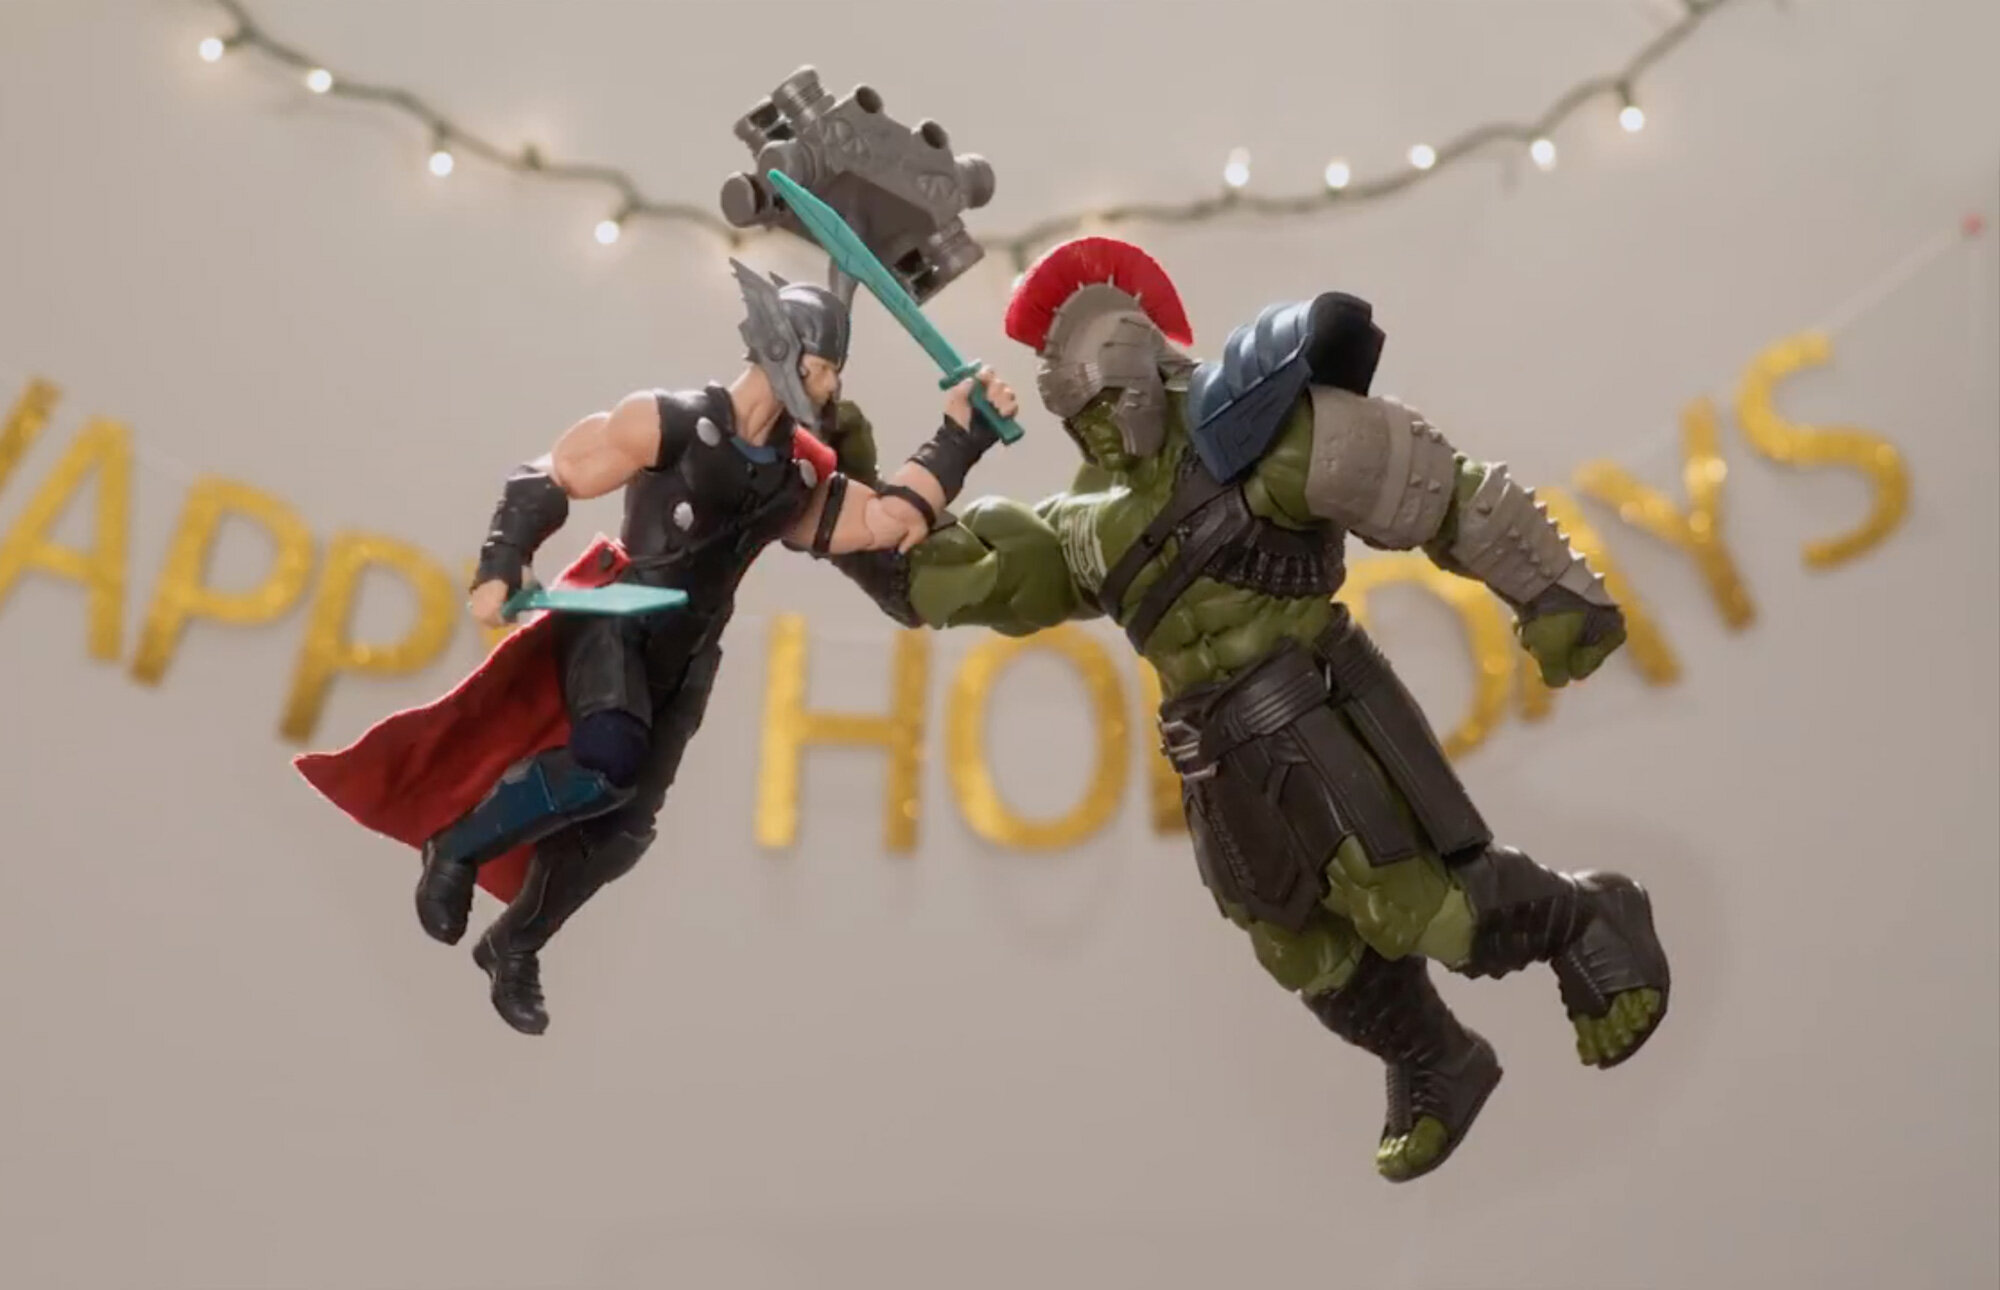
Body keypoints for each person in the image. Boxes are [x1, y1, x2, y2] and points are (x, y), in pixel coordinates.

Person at [842, 236, 1669, 1183]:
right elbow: (937, 579)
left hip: (1314, 705)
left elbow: (1441, 490)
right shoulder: (1085, 527)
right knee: (1297, 945)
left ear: (1143, 373)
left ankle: (1585, 919)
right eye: (1077, 418)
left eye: (1104, 405)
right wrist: (842, 471)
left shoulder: (1259, 432)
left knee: (1415, 910)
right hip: (1215, 763)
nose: (1097, 434)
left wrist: (1555, 593)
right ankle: (1434, 1057)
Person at [295, 260, 1018, 1034]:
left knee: (624, 833)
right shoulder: (670, 422)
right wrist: (502, 562)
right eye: (821, 367)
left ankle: (515, 945)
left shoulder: (797, 474)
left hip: (689, 653)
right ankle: (457, 847)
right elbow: (555, 472)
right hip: (617, 618)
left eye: (835, 371)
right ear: (781, 349)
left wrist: (962, 433)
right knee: (608, 757)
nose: (832, 385)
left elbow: (885, 523)